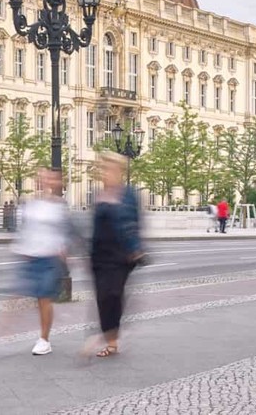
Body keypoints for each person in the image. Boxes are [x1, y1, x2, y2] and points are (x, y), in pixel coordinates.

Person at [85, 151, 144, 359]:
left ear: (118, 170)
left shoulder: (128, 195)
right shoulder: (98, 194)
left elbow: (134, 224)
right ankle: (110, 337)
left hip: (121, 256)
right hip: (99, 256)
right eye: (103, 168)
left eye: (109, 168)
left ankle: (110, 338)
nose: (105, 172)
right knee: (102, 298)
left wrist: (136, 249)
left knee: (113, 294)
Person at [11, 168, 74, 355]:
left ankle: (44, 339)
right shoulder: (33, 204)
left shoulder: (59, 206)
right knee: (27, 296)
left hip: (50, 257)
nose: (46, 181)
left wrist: (64, 249)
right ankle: (4, 334)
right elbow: (26, 228)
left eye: (50, 178)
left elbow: (66, 230)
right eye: (43, 178)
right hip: (32, 255)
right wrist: (21, 247)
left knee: (44, 297)